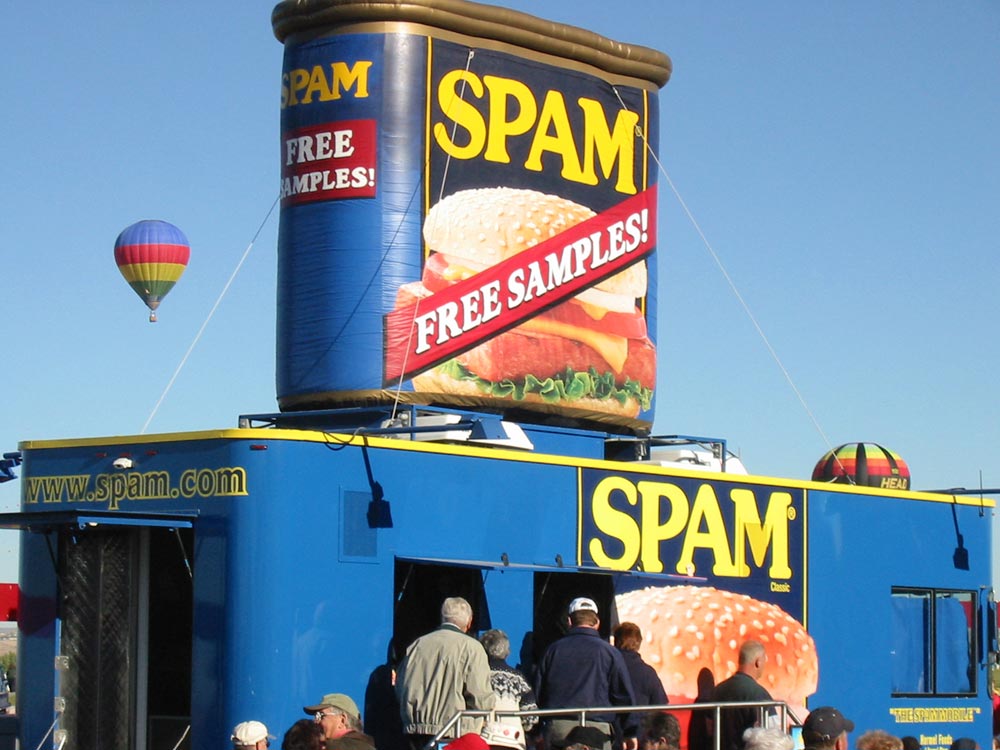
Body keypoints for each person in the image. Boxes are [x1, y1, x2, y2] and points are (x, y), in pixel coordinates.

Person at [534, 597, 637, 750]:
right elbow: (623, 695)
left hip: (559, 728)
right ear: (597, 623)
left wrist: (536, 730)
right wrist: (630, 732)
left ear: (569, 621)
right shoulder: (610, 652)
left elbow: (538, 692)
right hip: (597, 731)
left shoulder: (553, 650)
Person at [396, 597, 496, 750]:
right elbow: (480, 697)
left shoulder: (417, 645)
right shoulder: (471, 648)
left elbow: (400, 686)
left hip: (415, 732)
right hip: (454, 732)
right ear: (469, 622)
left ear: (442, 618)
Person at [480, 628, 538, 747]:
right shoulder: (518, 678)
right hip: (513, 741)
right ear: (507, 652)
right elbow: (531, 716)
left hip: (484, 740)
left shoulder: (477, 676)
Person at [713, 640, 773, 750]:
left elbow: (708, 728)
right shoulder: (759, 694)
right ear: (758, 662)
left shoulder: (717, 691)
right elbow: (773, 733)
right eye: (765, 660)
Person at [613, 622, 667, 707]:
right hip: (641, 719)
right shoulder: (648, 673)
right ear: (639, 643)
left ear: (616, 641)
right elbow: (660, 703)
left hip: (611, 719)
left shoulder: (606, 668)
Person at [303, 693, 375, 750]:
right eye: (315, 716)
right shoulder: (367, 747)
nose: (315, 721)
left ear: (342, 720)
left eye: (320, 715)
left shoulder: (332, 747)